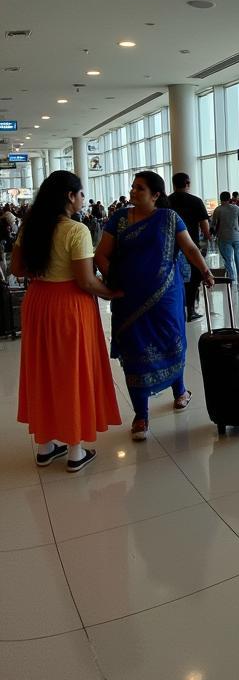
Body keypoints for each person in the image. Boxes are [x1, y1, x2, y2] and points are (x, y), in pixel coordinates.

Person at [11, 171, 122, 473]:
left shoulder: (30, 228)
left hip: (37, 303)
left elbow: (18, 268)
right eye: (81, 194)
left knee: (42, 369)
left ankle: (46, 447)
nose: (83, 199)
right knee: (72, 370)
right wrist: (111, 293)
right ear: (70, 197)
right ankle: (75, 450)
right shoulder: (77, 231)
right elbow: (86, 281)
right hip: (69, 306)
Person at [95, 171, 214, 441]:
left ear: (156, 195)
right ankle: (141, 416)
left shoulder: (169, 219)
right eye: (133, 187)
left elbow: (191, 249)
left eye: (140, 189)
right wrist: (114, 280)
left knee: (172, 343)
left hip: (165, 297)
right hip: (128, 299)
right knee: (135, 352)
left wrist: (205, 272)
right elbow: (101, 255)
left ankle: (180, 391)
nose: (133, 192)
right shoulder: (119, 219)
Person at [167, 172, 212, 322]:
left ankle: (176, 309)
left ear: (173, 184)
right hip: (191, 246)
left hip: (170, 248)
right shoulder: (196, 201)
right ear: (188, 184)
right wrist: (207, 237)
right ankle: (191, 310)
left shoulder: (166, 201)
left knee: (173, 279)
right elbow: (205, 226)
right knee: (193, 279)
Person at [211, 191, 239, 283]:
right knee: (238, 256)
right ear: (229, 198)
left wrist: (213, 234)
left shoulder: (218, 210)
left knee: (228, 258)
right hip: (237, 236)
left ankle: (231, 276)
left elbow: (213, 224)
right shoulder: (236, 208)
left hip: (224, 237)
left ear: (220, 199)